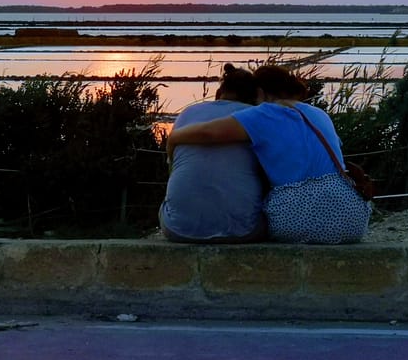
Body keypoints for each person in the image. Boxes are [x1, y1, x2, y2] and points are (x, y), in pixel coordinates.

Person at [166, 65, 371, 244]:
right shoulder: (319, 114)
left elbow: (207, 133)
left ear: (261, 92)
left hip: (296, 220)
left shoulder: (263, 114)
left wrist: (173, 138)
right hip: (352, 219)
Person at [159, 64, 268, 243]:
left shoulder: (188, 113)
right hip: (242, 231)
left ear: (219, 93)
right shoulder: (255, 117)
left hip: (177, 229)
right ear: (254, 96)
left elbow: (172, 166)